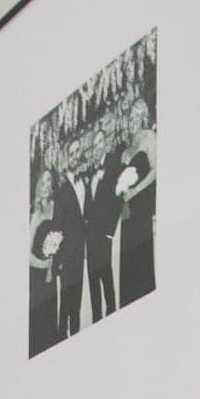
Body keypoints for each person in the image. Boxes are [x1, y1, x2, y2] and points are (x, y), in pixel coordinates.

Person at [115, 102, 157, 305]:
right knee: (128, 259)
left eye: (134, 117)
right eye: (129, 118)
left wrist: (136, 190)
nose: (131, 121)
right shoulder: (125, 151)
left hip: (142, 205)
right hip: (128, 211)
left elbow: (155, 170)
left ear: (142, 117)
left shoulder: (149, 137)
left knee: (142, 257)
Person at [82, 123, 124, 323]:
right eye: (94, 145)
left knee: (106, 278)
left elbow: (118, 199)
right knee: (92, 280)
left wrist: (109, 232)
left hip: (104, 235)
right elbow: (89, 207)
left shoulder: (114, 163)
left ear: (106, 143)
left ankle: (112, 316)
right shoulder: (90, 172)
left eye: (100, 142)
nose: (97, 147)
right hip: (90, 236)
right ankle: (97, 320)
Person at [50, 141, 89, 338]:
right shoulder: (61, 189)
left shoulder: (85, 183)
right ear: (67, 157)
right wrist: (58, 261)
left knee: (77, 305)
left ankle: (77, 339)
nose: (75, 156)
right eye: (72, 153)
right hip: (66, 256)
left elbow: (86, 217)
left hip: (80, 251)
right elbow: (56, 225)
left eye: (78, 152)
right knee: (65, 305)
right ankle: (60, 340)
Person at [28, 174, 62, 356]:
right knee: (39, 324)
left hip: (51, 277)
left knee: (51, 321)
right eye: (42, 181)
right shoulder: (36, 215)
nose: (45, 184)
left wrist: (54, 267)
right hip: (38, 277)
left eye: (49, 180)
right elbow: (26, 255)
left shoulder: (56, 208)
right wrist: (44, 266)